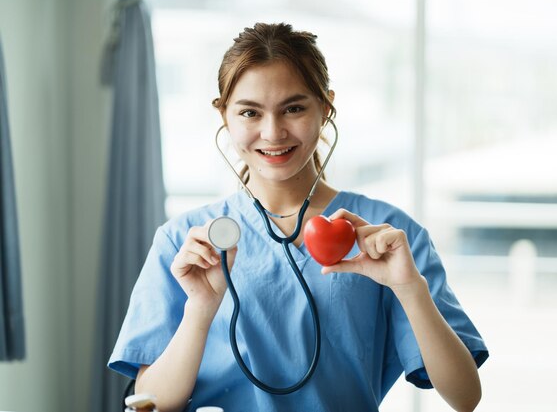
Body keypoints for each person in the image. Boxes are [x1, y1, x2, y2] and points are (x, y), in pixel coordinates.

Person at [109, 22, 489, 412]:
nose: (273, 133)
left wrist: (410, 288)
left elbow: (464, 397)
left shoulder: (390, 235)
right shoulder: (183, 241)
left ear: (325, 107)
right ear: (224, 116)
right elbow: (151, 402)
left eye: (293, 108)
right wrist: (200, 310)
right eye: (249, 112)